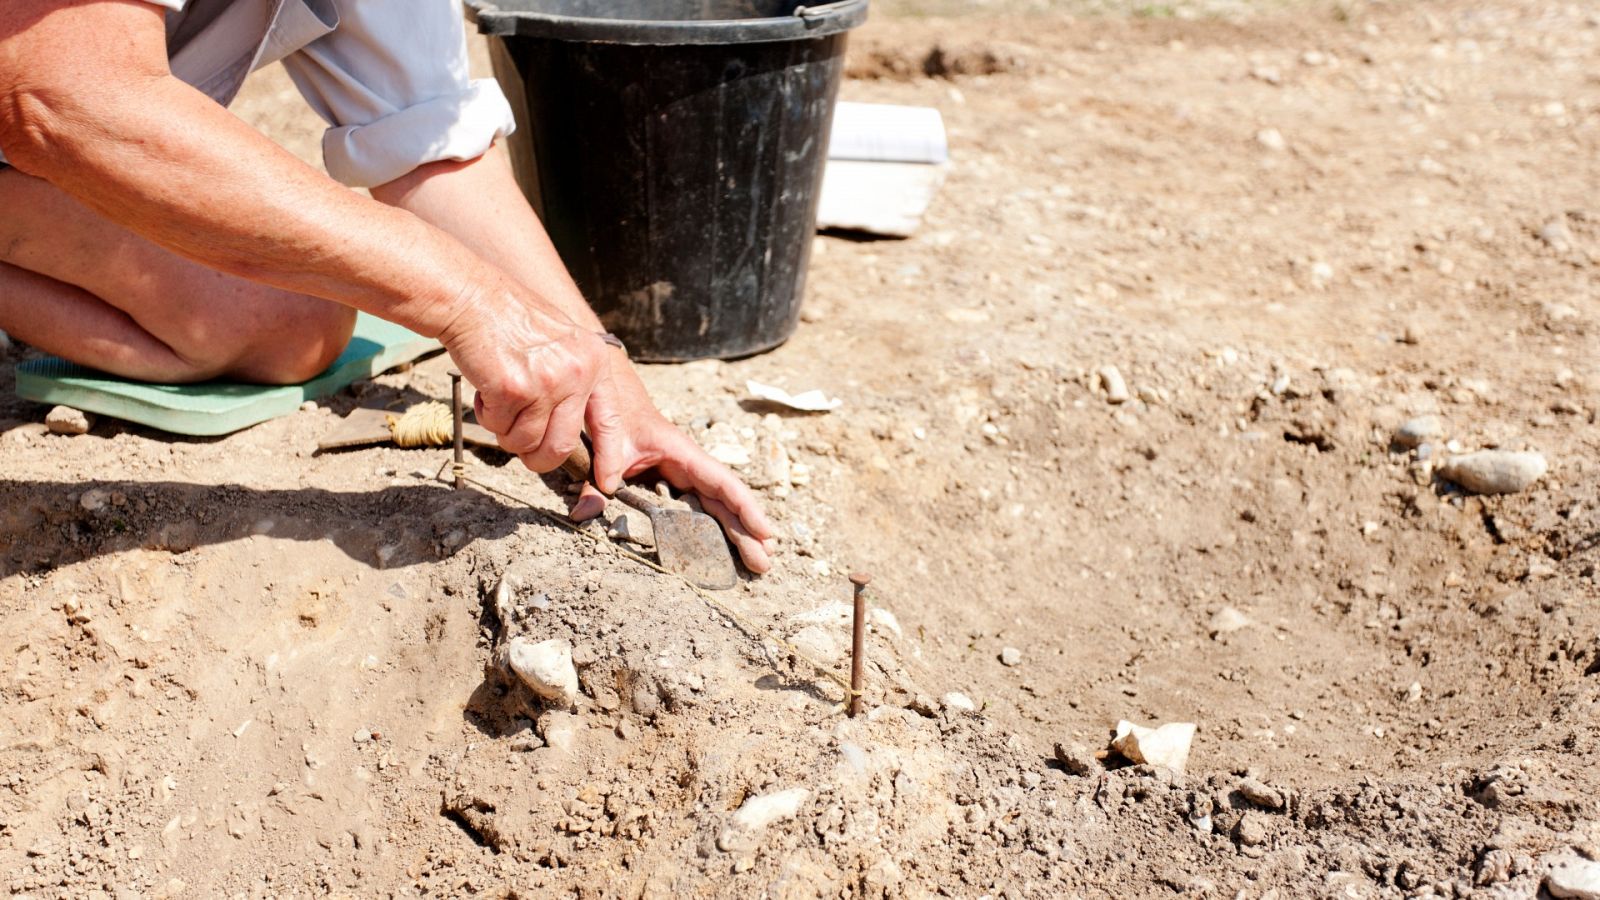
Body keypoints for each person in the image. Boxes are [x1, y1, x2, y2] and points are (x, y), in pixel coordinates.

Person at [0, 0, 775, 572]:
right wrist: (463, 297)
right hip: (48, 110)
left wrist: (606, 376)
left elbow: (430, 141)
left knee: (291, 322)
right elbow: (58, 96)